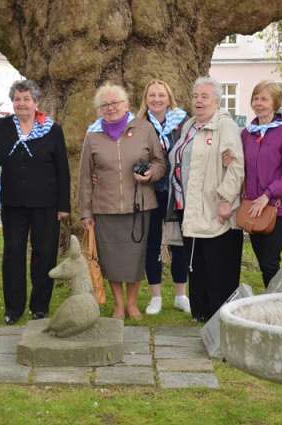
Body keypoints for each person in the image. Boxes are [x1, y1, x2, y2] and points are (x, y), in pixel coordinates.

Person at [79, 82, 165, 320]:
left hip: (140, 206)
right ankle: (118, 304)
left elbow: (160, 163)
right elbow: (85, 177)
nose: (110, 108)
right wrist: (86, 212)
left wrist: (151, 174)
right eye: (104, 105)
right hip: (105, 208)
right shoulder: (93, 135)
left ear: (126, 104)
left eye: (115, 103)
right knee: (112, 260)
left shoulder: (144, 128)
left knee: (136, 259)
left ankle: (132, 303)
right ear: (99, 109)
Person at [0, 80, 71, 325]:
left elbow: (62, 170)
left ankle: (40, 306)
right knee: (13, 254)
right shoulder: (2, 127)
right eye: (17, 99)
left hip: (46, 203)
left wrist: (63, 206)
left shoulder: (52, 129)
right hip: (13, 203)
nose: (22, 103)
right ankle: (13, 309)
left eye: (26, 99)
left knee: (44, 254)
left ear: (36, 103)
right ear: (12, 102)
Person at [168, 76, 245, 323]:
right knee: (197, 263)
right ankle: (200, 313)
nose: (199, 101)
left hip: (216, 207)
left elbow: (235, 166)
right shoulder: (189, 125)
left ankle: (219, 317)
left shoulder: (225, 126)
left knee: (218, 264)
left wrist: (226, 200)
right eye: (195, 96)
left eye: (205, 96)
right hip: (191, 207)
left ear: (217, 101)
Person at [237, 80, 282, 288]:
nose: (258, 103)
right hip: (253, 208)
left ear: (276, 103)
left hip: (278, 207)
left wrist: (267, 195)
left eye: (264, 99)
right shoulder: (247, 133)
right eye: (255, 98)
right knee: (264, 262)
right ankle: (275, 299)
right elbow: (241, 166)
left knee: (270, 261)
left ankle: (278, 303)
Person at [135, 79, 191, 316]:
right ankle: (155, 296)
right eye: (152, 96)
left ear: (169, 98)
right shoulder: (138, 125)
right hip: (149, 191)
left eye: (161, 95)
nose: (156, 99)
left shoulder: (185, 121)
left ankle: (181, 295)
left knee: (180, 243)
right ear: (145, 100)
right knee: (152, 243)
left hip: (177, 191)